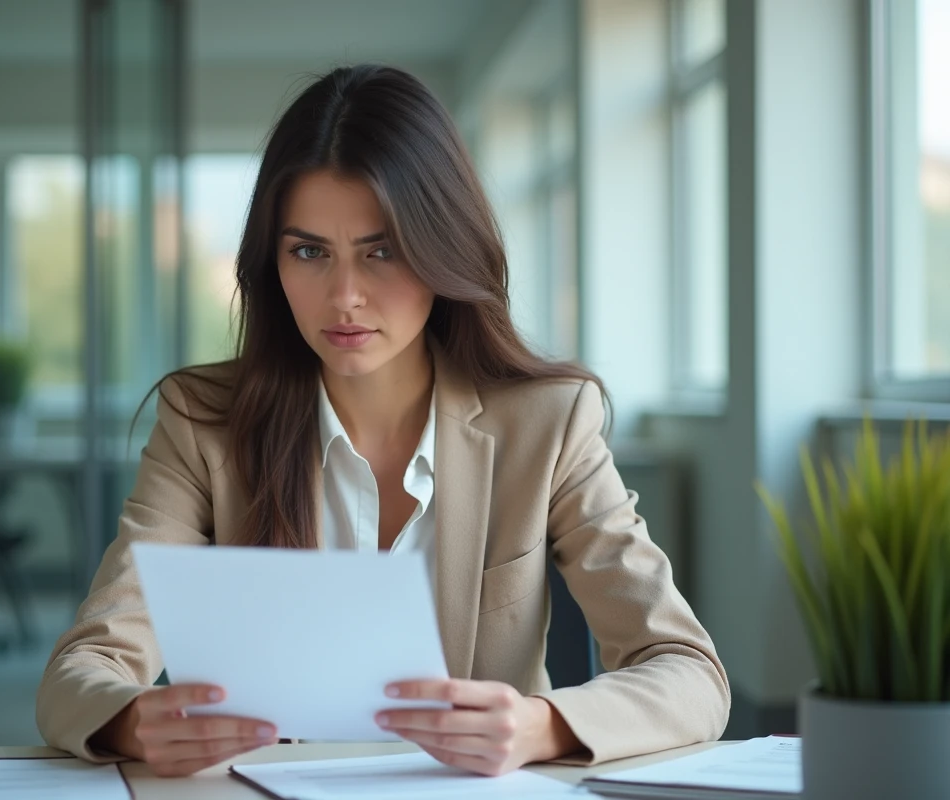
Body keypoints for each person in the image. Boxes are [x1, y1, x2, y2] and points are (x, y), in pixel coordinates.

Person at [36, 64, 729, 779]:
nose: (344, 297)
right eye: (309, 252)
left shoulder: (547, 422)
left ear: (442, 249)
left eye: (382, 252)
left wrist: (540, 726)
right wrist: (131, 721)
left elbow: (688, 674)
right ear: (272, 263)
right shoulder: (203, 422)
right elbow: (80, 672)